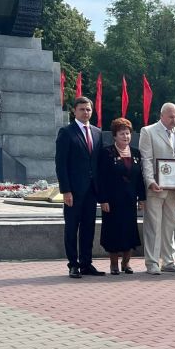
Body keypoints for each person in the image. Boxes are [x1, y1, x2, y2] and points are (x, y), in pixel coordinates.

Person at [55, 96, 105, 279]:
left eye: (89, 109)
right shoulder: (66, 132)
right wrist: (66, 190)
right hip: (74, 191)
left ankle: (86, 263)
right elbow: (61, 164)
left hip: (92, 190)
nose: (86, 112)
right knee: (71, 228)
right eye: (82, 109)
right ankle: (73, 264)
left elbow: (99, 163)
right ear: (74, 111)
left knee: (88, 228)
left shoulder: (97, 133)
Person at [139, 102, 175, 275]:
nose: (174, 120)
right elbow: (146, 159)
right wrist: (149, 181)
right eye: (171, 116)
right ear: (162, 115)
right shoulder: (148, 131)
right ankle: (152, 263)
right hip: (156, 187)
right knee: (153, 226)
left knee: (170, 226)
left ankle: (169, 261)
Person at [98, 118, 146, 275]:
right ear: (114, 135)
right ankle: (114, 264)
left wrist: (142, 198)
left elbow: (140, 178)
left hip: (130, 200)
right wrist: (103, 199)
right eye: (121, 133)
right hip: (112, 201)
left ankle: (126, 263)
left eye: (128, 133)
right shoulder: (107, 153)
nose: (125, 136)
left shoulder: (137, 153)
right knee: (113, 231)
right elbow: (102, 179)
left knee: (129, 231)